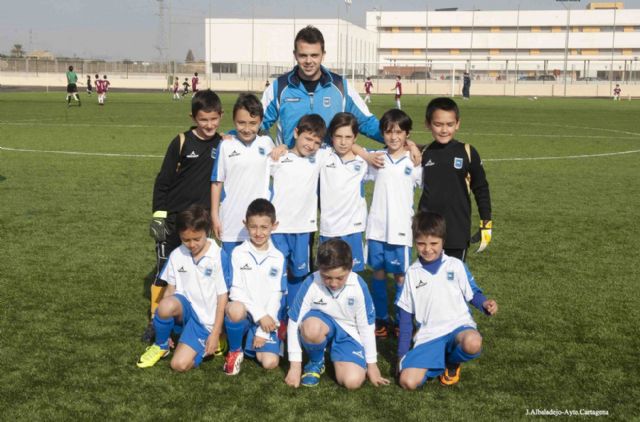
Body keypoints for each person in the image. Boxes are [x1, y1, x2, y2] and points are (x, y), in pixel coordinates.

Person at [146, 89, 224, 343]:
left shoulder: (223, 143)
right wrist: (159, 216)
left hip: (202, 223)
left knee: (199, 271)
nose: (209, 124)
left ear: (221, 116)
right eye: (203, 119)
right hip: (174, 219)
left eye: (213, 119)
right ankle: (157, 321)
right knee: (164, 270)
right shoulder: (181, 141)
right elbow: (163, 181)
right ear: (193, 117)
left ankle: (198, 319)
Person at [397, 211, 498, 389]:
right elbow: (405, 318)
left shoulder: (456, 265)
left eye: (434, 243)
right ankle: (438, 357)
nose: (427, 249)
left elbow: (472, 293)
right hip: (430, 335)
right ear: (414, 243)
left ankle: (452, 363)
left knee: (473, 342)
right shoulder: (412, 273)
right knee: (407, 381)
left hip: (458, 327)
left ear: (443, 241)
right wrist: (401, 355)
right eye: (421, 244)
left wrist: (484, 304)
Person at [285, 239, 390, 389]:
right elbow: (294, 321)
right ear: (319, 267)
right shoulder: (311, 282)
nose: (333, 283)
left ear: (351, 267)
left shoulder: (359, 287)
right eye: (327, 277)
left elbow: (366, 326)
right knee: (311, 327)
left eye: (340, 278)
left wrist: (372, 365)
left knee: (352, 382)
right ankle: (316, 362)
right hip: (320, 324)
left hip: (348, 332)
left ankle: (337, 352)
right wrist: (295, 367)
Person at [137, 205, 228, 371]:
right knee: (164, 305)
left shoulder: (218, 255)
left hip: (204, 322)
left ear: (206, 233)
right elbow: (170, 291)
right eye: (186, 240)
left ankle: (214, 341)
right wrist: (161, 328)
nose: (191, 244)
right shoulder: (177, 254)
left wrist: (215, 332)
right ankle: (161, 346)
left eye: (196, 239)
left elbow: (223, 297)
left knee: (179, 365)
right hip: (183, 311)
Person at [261, 25, 383, 147]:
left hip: (328, 164)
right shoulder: (279, 87)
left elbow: (366, 122)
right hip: (291, 163)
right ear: (295, 55)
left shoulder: (340, 86)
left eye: (314, 55)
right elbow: (254, 123)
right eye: (303, 55)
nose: (308, 61)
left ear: (323, 55)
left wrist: (398, 139)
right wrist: (270, 147)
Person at [366, 109, 422, 338]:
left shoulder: (414, 161)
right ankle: (381, 318)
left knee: (401, 277)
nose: (394, 137)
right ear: (382, 134)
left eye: (399, 132)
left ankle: (401, 319)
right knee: (377, 274)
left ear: (407, 134)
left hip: (401, 231)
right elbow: (351, 151)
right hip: (377, 229)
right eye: (389, 132)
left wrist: (413, 146)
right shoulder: (376, 158)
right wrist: (365, 154)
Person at [418, 97, 492, 262]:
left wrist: (486, 223)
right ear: (428, 124)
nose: (444, 130)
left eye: (450, 124)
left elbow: (481, 189)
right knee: (427, 280)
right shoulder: (423, 153)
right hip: (427, 231)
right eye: (438, 124)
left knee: (453, 282)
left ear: (457, 123)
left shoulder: (467, 152)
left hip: (456, 231)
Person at [269, 114, 328, 310]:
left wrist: (412, 146)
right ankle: (278, 316)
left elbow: (348, 145)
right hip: (278, 229)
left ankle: (295, 314)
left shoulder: (319, 158)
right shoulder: (279, 158)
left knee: (299, 273)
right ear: (296, 133)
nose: (311, 145)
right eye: (308, 138)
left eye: (317, 142)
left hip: (303, 229)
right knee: (277, 273)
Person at [223, 199, 286, 375]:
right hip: (247, 314)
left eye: (264, 227)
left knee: (270, 362)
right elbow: (235, 291)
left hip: (268, 317)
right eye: (253, 227)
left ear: (274, 226)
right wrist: (260, 315)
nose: (258, 233)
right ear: (245, 225)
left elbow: (276, 294)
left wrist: (263, 330)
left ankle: (262, 338)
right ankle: (235, 351)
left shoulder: (278, 257)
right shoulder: (238, 253)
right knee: (235, 308)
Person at [210, 93, 274, 269]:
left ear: (260, 122)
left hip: (259, 224)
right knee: (230, 272)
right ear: (233, 120)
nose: (247, 129)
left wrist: (282, 148)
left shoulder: (267, 143)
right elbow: (217, 182)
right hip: (230, 221)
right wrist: (215, 216)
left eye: (253, 123)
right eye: (241, 123)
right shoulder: (226, 145)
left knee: (256, 271)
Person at [319, 112, 368, 273]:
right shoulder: (323, 155)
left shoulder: (364, 160)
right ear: (331, 136)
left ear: (355, 137)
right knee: (327, 273)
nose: (343, 142)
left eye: (348, 137)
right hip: (329, 228)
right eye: (338, 136)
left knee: (353, 274)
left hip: (352, 229)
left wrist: (410, 145)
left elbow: (393, 153)